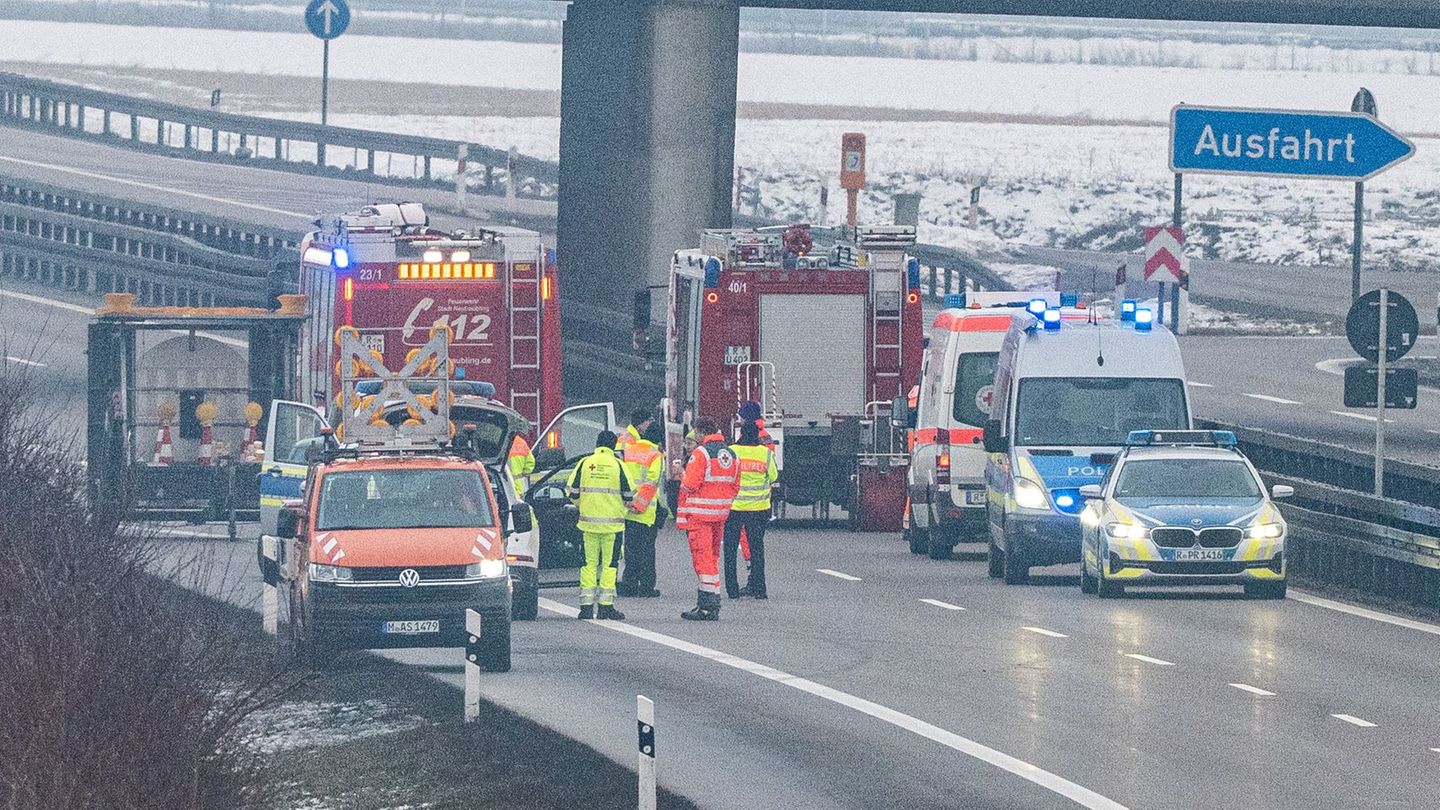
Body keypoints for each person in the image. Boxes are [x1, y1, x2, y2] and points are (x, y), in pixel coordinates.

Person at [676, 417, 740, 621]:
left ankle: (707, 605)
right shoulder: (732, 454)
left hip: (700, 515)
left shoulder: (701, 453)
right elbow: (736, 485)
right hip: (721, 514)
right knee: (712, 559)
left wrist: (681, 474)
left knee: (702, 561)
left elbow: (689, 485)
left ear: (702, 432)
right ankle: (712, 602)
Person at [566, 430, 633, 620]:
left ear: (597, 444)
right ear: (613, 446)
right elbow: (629, 495)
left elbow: (572, 492)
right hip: (613, 527)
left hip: (587, 526)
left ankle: (586, 607)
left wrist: (584, 506)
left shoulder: (585, 463)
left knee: (588, 565)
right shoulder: (618, 465)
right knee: (609, 565)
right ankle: (605, 607)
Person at [725, 420, 778, 599]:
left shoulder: (732, 451)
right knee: (757, 549)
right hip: (758, 508)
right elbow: (773, 476)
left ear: (740, 434)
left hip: (734, 508)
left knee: (730, 550)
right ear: (757, 435)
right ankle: (760, 589)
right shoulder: (765, 453)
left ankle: (732, 590)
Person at [617, 411, 665, 598]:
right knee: (647, 551)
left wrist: (629, 502)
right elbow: (652, 483)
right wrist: (641, 505)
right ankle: (646, 587)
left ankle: (629, 584)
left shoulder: (629, 451)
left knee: (631, 549)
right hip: (645, 512)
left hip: (628, 508)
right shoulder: (655, 455)